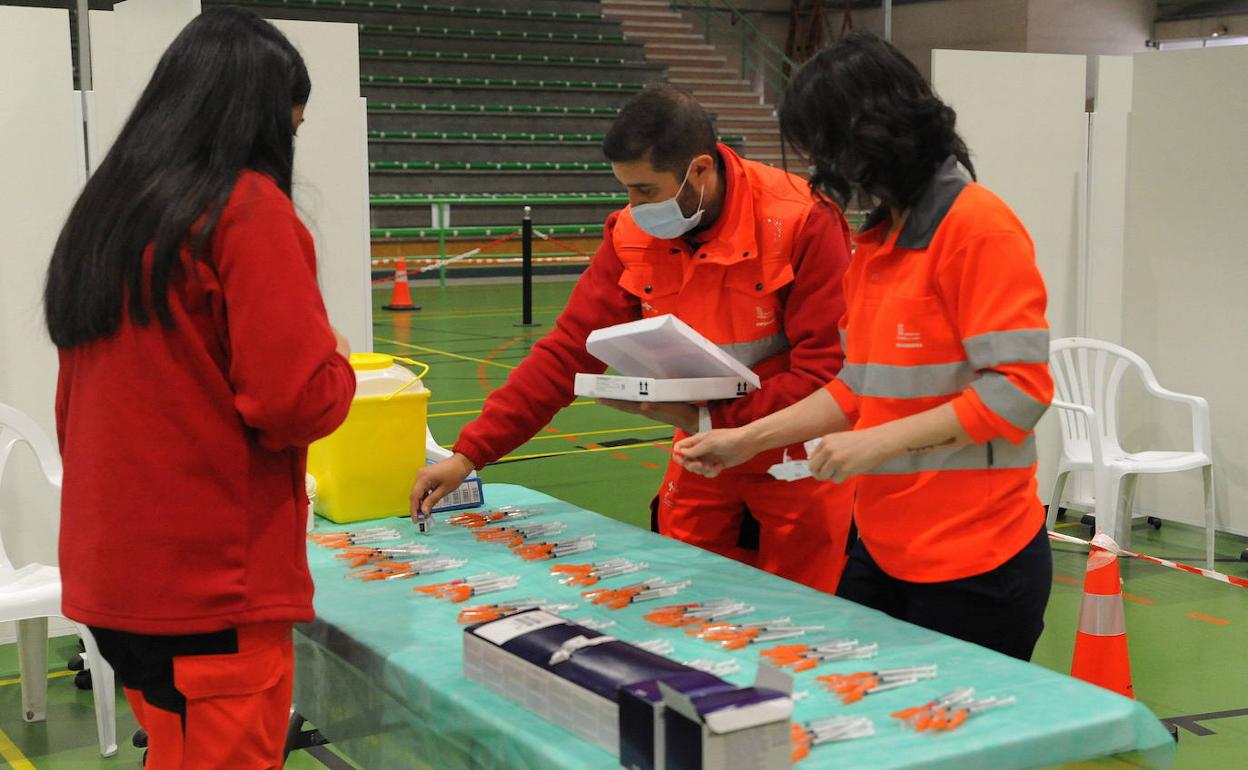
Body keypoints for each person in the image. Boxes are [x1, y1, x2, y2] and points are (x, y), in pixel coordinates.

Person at [674, 33, 1054, 661]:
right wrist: (744, 440)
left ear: (874, 134)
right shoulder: (876, 245)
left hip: (976, 561)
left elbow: (1018, 392)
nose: (826, 166)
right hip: (882, 549)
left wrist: (874, 442)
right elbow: (858, 387)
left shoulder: (978, 228)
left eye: (827, 146)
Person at [45, 9, 355, 768]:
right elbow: (292, 400)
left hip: (115, 577)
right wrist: (336, 363)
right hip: (210, 585)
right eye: (290, 128)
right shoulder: (244, 209)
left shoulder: (112, 214)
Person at [413, 84, 856, 593]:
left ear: (701, 171)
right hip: (700, 455)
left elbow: (826, 375)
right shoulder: (631, 234)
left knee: (801, 618)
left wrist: (714, 421)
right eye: (625, 189)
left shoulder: (801, 222)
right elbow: (566, 352)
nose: (633, 206)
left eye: (645, 190)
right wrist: (470, 454)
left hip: (796, 460)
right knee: (687, 602)